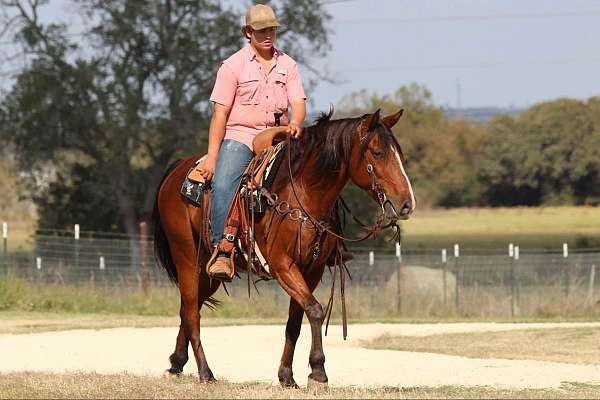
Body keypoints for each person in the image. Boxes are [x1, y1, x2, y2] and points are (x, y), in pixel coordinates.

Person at [203, 4, 307, 281]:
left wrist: (295, 122)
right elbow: (220, 114)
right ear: (248, 32)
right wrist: (213, 156)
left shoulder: (288, 65)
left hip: (278, 135)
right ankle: (223, 248)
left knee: (315, 171)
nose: (267, 35)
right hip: (241, 136)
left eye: (271, 29)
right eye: (261, 30)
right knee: (225, 182)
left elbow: (298, 101)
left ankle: (327, 241)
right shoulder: (232, 66)